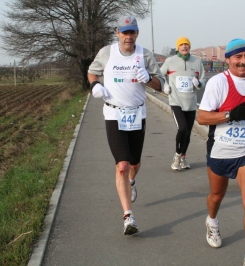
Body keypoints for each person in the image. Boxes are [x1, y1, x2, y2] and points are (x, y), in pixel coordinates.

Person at [197, 38, 245, 266]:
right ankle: (211, 221)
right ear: (228, 60)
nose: (243, 62)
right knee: (217, 196)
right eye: (238, 57)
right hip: (220, 151)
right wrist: (230, 115)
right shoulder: (217, 83)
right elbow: (202, 118)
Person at [87, 16, 164, 235]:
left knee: (134, 164)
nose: (128, 37)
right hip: (113, 113)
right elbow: (92, 71)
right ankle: (128, 217)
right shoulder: (106, 53)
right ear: (117, 32)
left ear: (137, 34)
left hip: (137, 114)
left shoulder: (145, 54)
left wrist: (148, 77)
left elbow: (161, 86)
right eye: (124, 32)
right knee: (121, 164)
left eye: (132, 32)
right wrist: (95, 85)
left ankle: (132, 181)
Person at [160, 37, 205, 171]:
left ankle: (183, 158)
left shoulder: (197, 62)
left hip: (191, 103)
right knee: (182, 128)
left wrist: (199, 83)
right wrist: (165, 86)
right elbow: (159, 75)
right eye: (182, 45)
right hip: (176, 101)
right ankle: (177, 156)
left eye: (186, 45)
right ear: (178, 48)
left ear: (189, 47)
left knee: (188, 132)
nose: (184, 47)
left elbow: (203, 79)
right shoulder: (170, 61)